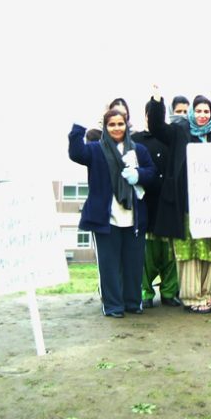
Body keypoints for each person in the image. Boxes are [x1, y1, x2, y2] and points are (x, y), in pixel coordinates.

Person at [68, 108, 157, 317]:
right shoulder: (95, 149)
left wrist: (138, 175)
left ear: (126, 125)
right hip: (106, 218)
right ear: (105, 127)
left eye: (120, 124)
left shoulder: (139, 150)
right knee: (109, 266)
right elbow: (76, 153)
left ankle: (133, 303)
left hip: (133, 218)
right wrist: (78, 126)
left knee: (133, 264)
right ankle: (113, 306)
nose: (117, 128)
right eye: (112, 124)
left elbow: (152, 173)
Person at [148, 86, 211, 314]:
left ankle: (208, 294)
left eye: (206, 111)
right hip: (187, 205)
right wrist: (158, 101)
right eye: (198, 111)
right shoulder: (180, 132)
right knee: (189, 251)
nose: (202, 115)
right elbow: (157, 127)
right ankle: (191, 297)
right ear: (191, 113)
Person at [131, 101, 181, 309]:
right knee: (146, 254)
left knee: (170, 252)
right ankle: (145, 292)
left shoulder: (172, 137)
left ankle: (169, 292)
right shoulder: (134, 140)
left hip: (169, 201)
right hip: (145, 202)